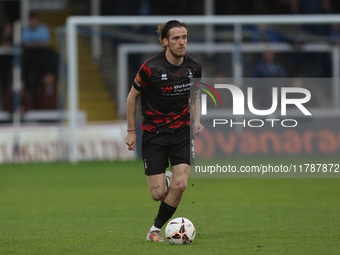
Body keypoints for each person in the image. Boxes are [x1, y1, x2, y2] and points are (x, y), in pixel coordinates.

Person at [124, 20, 204, 242]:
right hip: (154, 133)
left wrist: (196, 120)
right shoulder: (150, 68)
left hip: (181, 132)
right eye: (176, 38)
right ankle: (165, 180)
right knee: (157, 194)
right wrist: (131, 131)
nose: (182, 42)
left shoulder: (194, 67)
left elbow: (195, 96)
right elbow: (132, 98)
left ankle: (154, 229)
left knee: (181, 184)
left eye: (185, 37)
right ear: (165, 41)